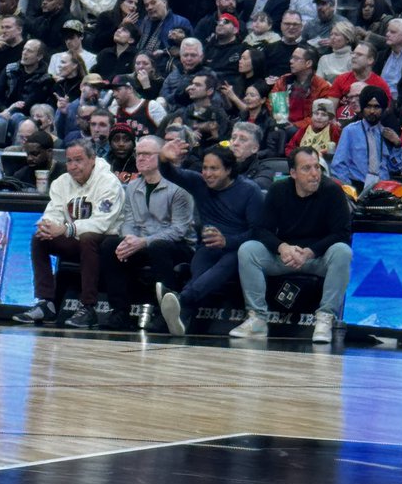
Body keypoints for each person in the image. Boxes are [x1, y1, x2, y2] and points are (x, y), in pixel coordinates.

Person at [232, 147, 353, 344]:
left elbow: (342, 234)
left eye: (317, 167)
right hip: (286, 255)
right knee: (248, 249)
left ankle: (325, 318)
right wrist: (282, 247)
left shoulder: (332, 191)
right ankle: (257, 319)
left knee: (343, 251)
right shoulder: (278, 190)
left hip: (317, 257)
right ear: (293, 173)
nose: (314, 174)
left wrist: (310, 252)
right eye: (307, 168)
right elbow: (262, 230)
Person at [155, 137, 265, 336]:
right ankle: (181, 317)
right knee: (202, 263)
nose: (207, 174)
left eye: (214, 169)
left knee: (228, 262)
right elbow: (170, 173)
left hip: (239, 249)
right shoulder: (199, 183)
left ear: (229, 170)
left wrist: (227, 241)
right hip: (208, 247)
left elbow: (258, 232)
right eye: (205, 168)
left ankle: (181, 301)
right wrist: (163, 158)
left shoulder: (250, 191)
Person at [13, 139, 125, 328]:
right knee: (39, 239)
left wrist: (66, 229)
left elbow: (102, 223)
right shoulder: (61, 182)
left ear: (92, 159)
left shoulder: (108, 182)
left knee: (88, 238)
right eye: (69, 161)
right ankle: (46, 302)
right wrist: (46, 226)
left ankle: (88, 307)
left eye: (78, 160)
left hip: (106, 239)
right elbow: (53, 212)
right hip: (75, 237)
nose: (73, 166)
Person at [99, 135, 196, 330]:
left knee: (159, 247)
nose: (140, 158)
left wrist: (144, 241)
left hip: (179, 246)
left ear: (161, 157)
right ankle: (120, 312)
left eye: (147, 154)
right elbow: (128, 220)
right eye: (138, 154)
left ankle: (165, 315)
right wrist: (129, 239)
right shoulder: (133, 186)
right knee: (110, 245)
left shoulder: (179, 188)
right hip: (143, 242)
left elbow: (178, 230)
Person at [330, 85, 402, 190]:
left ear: (383, 109)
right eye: (368, 106)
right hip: (356, 187)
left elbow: (396, 169)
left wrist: (397, 145)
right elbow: (338, 165)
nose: (372, 111)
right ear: (363, 107)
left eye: (376, 107)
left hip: (382, 190)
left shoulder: (387, 133)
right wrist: (349, 190)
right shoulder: (350, 131)